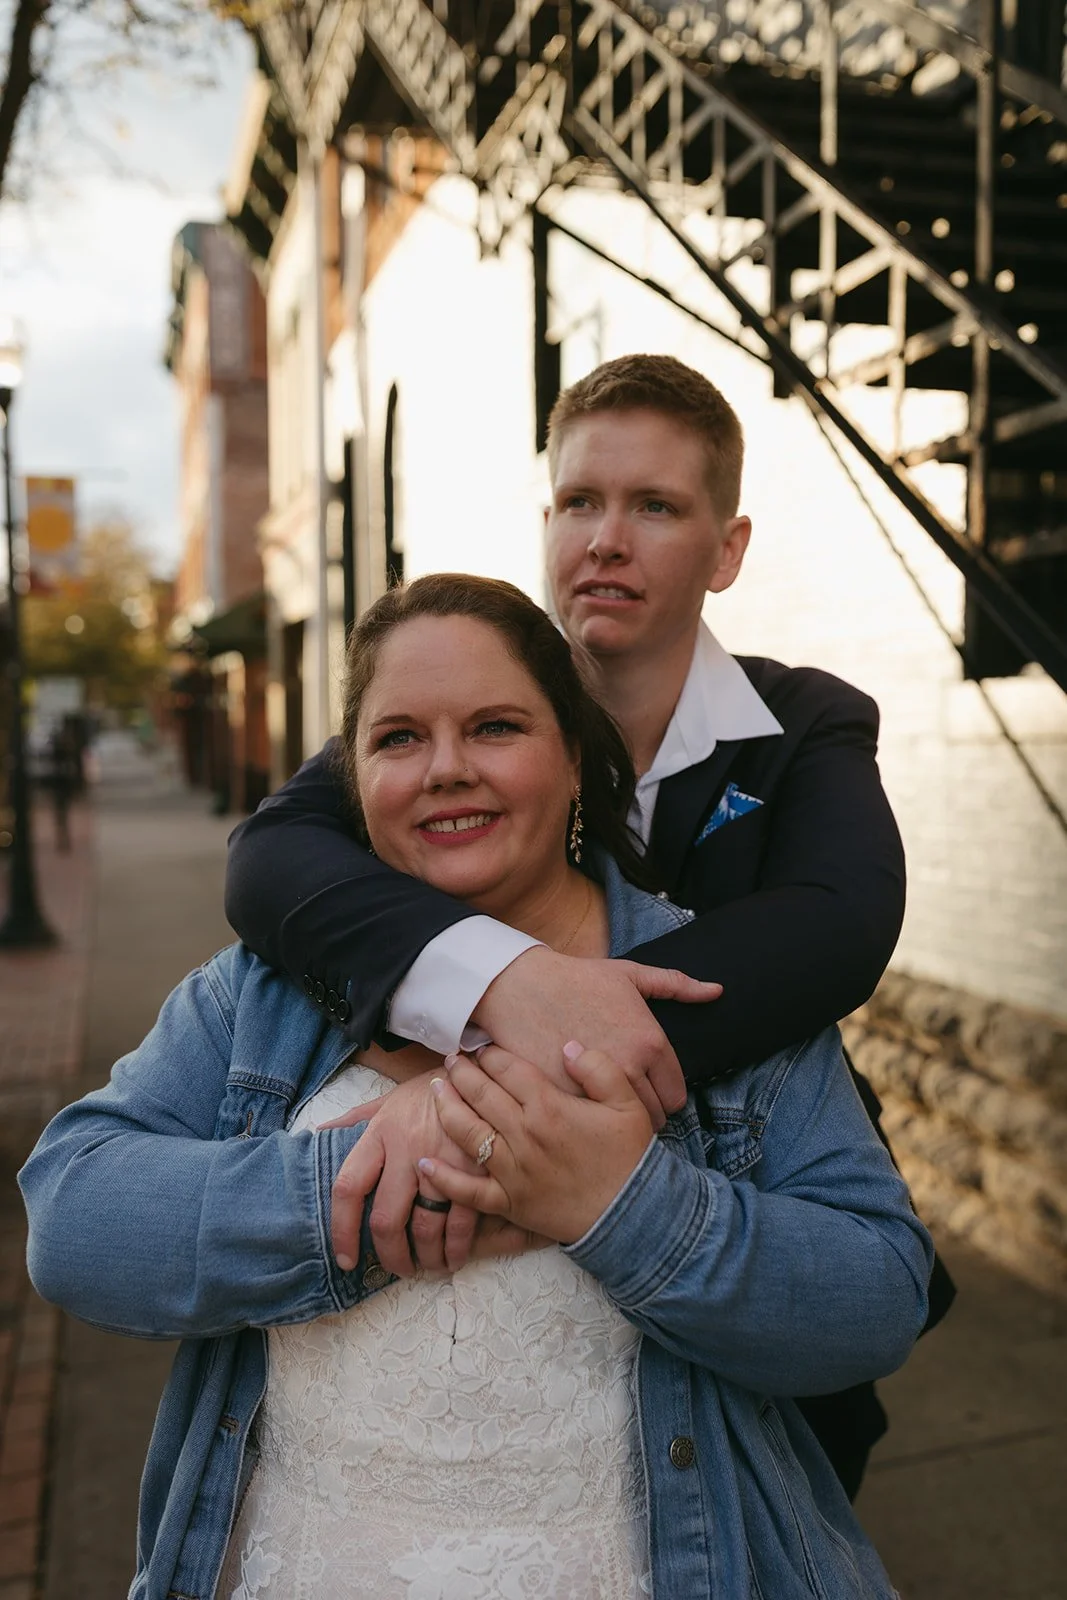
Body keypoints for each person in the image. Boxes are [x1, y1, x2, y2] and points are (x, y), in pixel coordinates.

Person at [22, 575, 933, 1600]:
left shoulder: (697, 985)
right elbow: (74, 1217)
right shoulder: (262, 993)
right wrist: (359, 1186)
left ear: (578, 759)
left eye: (494, 727)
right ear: (355, 784)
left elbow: (876, 1295)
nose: (445, 769)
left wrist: (623, 1205)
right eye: (398, 737)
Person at [225, 354, 954, 1494]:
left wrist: (523, 1058)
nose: (604, 538)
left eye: (654, 506)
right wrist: (504, 980)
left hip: (737, 1220)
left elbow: (836, 922)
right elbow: (272, 860)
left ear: (726, 549)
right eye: (578, 501)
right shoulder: (461, 708)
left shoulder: (803, 721)